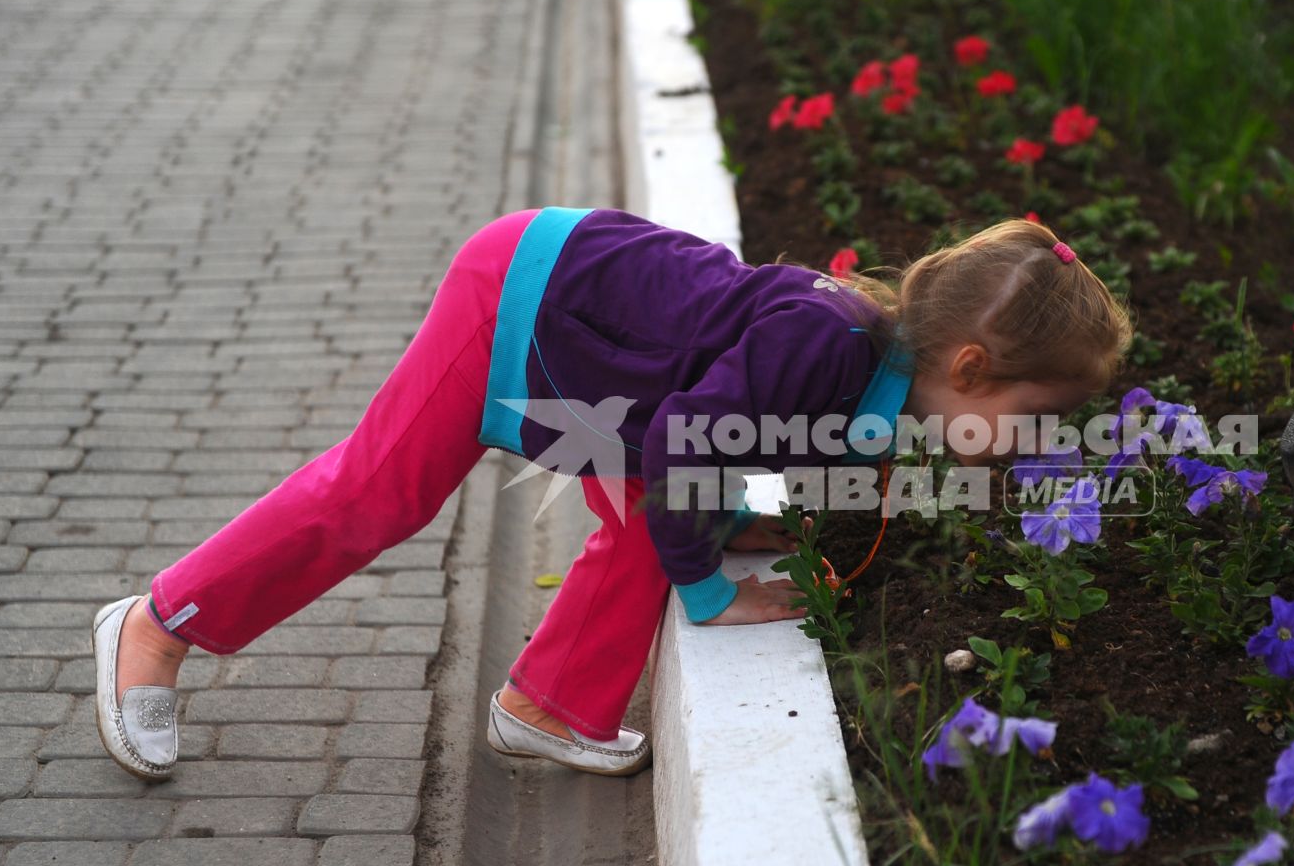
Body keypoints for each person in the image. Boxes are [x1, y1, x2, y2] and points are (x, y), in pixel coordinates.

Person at [91, 208, 1132, 781]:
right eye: (1036, 412)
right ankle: (159, 621)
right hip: (522, 298)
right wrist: (714, 591)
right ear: (973, 364)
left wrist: (736, 520)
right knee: (379, 493)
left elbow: (713, 438)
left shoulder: (871, 363)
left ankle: (548, 704)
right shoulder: (829, 347)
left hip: (589, 330)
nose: (1033, 440)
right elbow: (688, 442)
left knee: (663, 518)